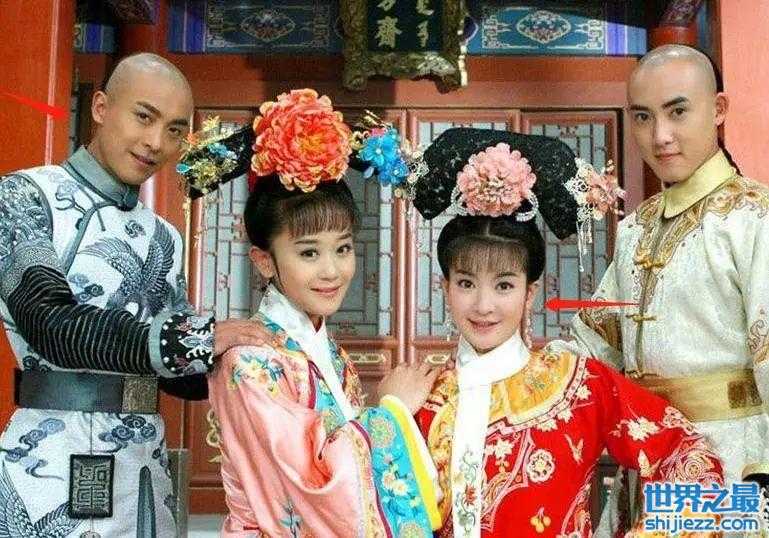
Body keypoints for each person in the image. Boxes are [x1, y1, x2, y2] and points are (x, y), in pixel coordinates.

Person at [0, 53, 268, 537]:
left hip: (143, 467)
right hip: (48, 461)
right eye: (144, 117)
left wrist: (261, 344)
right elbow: (50, 323)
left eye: (174, 130)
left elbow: (182, 371)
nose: (155, 142)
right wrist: (198, 338)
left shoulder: (164, 236)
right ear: (101, 107)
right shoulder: (24, 196)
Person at [410, 127, 724, 537]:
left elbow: (688, 457)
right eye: (466, 283)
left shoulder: (580, 386)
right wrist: (392, 411)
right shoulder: (421, 396)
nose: (484, 305)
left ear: (530, 293)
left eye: (504, 285)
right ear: (445, 288)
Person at [195, 89, 442, 537]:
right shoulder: (250, 363)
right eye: (309, 253)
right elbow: (314, 486)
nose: (332, 270)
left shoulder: (328, 352)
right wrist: (392, 412)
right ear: (264, 260)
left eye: (343, 248)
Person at [566, 44, 769, 532]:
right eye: (642, 117)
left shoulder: (753, 217)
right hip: (648, 461)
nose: (660, 136)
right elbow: (592, 347)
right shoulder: (636, 229)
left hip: (732, 464)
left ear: (718, 109)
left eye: (677, 112)